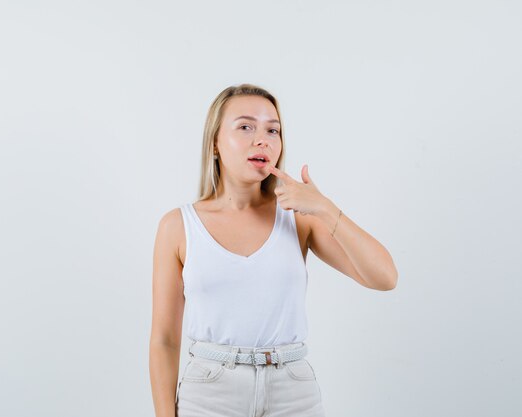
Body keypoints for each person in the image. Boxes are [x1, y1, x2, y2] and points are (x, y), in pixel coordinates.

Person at [149, 83, 398, 417]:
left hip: (292, 392)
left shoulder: (298, 218)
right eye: (245, 127)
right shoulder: (178, 226)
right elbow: (165, 339)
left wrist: (324, 208)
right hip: (209, 393)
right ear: (215, 144)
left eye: (273, 130)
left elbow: (384, 277)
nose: (262, 139)